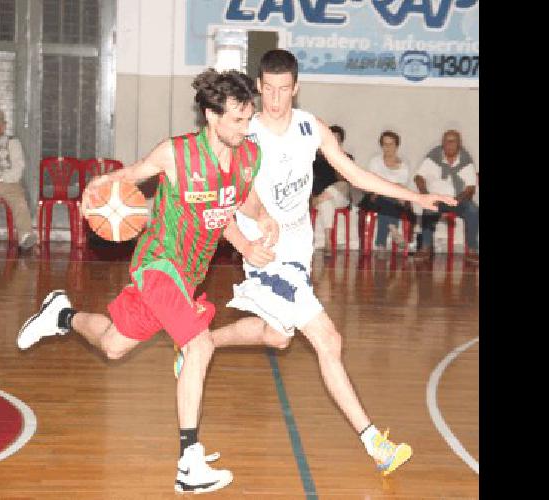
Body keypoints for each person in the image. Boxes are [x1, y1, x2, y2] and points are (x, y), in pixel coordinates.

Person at [185, 49, 458, 477]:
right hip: (267, 251)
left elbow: (356, 175)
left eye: (284, 90)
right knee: (328, 340)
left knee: (277, 336)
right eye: (268, 90)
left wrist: (415, 198)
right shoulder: (244, 132)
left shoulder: (311, 127)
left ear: (296, 88)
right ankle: (376, 443)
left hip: (299, 248)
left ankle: (202, 343)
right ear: (258, 87)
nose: (275, 99)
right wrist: (252, 226)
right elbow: (227, 192)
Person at [15, 68, 278, 495]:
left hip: (189, 276)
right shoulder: (176, 154)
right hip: (159, 263)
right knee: (200, 343)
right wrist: (100, 186)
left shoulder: (249, 155)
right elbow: (129, 176)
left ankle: (61, 314)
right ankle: (188, 461)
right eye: (236, 120)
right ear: (211, 116)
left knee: (115, 345)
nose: (244, 128)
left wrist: (259, 227)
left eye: (249, 119)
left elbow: (234, 203)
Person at [413, 129, 479, 260]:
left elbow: (470, 188)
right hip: (436, 198)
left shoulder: (466, 160)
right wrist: (426, 195)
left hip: (458, 199)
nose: (449, 144)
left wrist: (455, 200)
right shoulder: (433, 157)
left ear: (459, 143)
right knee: (428, 207)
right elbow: (419, 177)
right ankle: (425, 247)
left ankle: (472, 249)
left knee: (473, 210)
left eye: (452, 141)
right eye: (446, 141)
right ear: (442, 143)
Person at [0, 109, 38, 250]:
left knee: (18, 199)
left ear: (2, 127)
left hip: (7, 182)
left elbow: (18, 168)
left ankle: (25, 235)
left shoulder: (12, 143)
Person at [310, 125, 360, 250]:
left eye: (338, 139)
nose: (335, 141)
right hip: (324, 197)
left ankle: (319, 199)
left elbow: (345, 180)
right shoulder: (315, 158)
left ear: (341, 142)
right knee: (327, 203)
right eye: (332, 138)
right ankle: (328, 241)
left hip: (341, 197)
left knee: (342, 185)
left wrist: (337, 158)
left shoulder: (346, 157)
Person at [363, 130, 414, 251]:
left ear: (397, 146)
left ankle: (381, 244)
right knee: (386, 197)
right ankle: (393, 228)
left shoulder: (404, 166)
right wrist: (388, 187)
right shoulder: (375, 162)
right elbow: (372, 182)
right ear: (381, 146)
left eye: (391, 144)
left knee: (390, 200)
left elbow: (402, 187)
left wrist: (389, 187)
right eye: (385, 144)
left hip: (395, 198)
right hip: (376, 197)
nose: (388, 147)